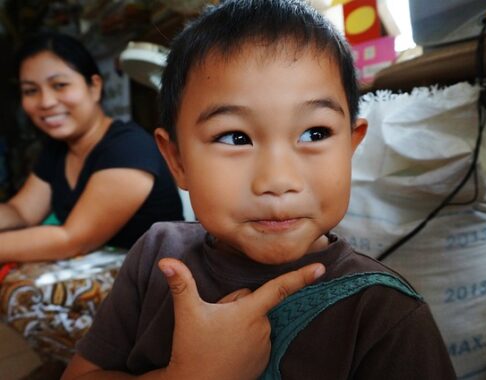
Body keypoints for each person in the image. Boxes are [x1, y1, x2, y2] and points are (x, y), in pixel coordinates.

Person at [63, 0, 457, 379]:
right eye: (235, 137)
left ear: (350, 147)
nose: (278, 180)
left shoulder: (385, 315)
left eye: (314, 133)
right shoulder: (155, 257)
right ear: (177, 161)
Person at [0, 32, 183, 261]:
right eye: (30, 91)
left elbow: (72, 240)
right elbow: (21, 212)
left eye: (59, 85)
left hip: (152, 284)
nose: (45, 102)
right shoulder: (57, 149)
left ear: (94, 87)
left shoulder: (128, 148)